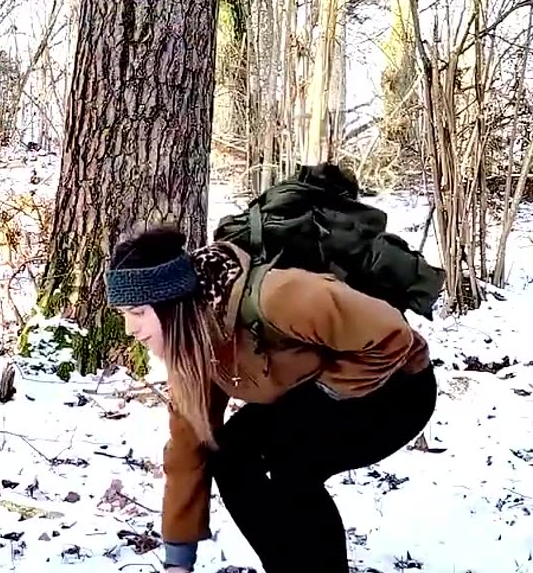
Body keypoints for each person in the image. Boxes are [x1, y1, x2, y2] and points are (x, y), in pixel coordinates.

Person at [104, 225, 438, 573]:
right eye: (125, 315)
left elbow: (393, 335)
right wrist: (178, 559)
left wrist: (325, 395)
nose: (131, 329)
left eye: (138, 313)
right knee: (230, 454)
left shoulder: (278, 296)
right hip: (311, 393)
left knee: (292, 467)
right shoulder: (193, 341)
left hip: (398, 388)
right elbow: (189, 446)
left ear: (171, 302)